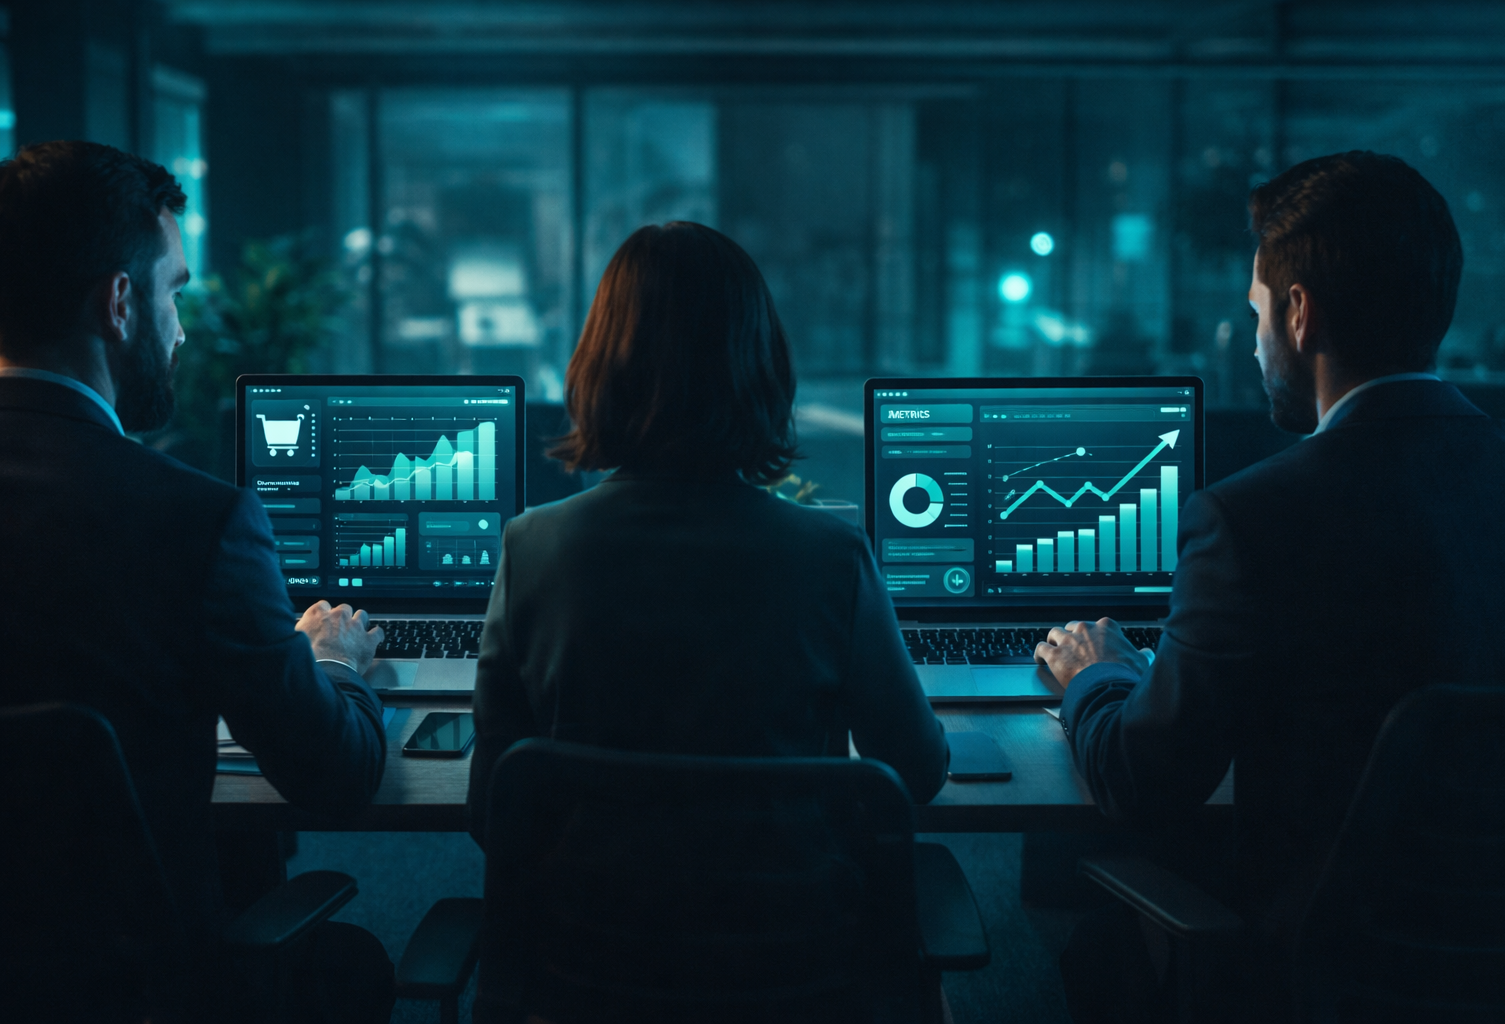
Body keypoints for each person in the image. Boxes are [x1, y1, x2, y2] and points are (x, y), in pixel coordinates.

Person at [1035, 150, 1505, 1022]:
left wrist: (1096, 674)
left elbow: (1142, 782)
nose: (1257, 340)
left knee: (1067, 928)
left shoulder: (1253, 518)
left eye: (1257, 313)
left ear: (1299, 315)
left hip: (1321, 963)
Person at [468, 221, 950, 1015]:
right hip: (796, 977)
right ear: (759, 368)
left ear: (600, 367)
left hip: (588, 975)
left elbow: (494, 810)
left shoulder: (532, 550)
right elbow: (920, 773)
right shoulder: (830, 557)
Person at [0, 141, 394, 1022]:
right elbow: (336, 777)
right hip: (138, 985)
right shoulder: (196, 522)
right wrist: (330, 659)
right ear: (120, 302)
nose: (182, 328)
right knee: (355, 963)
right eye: (175, 290)